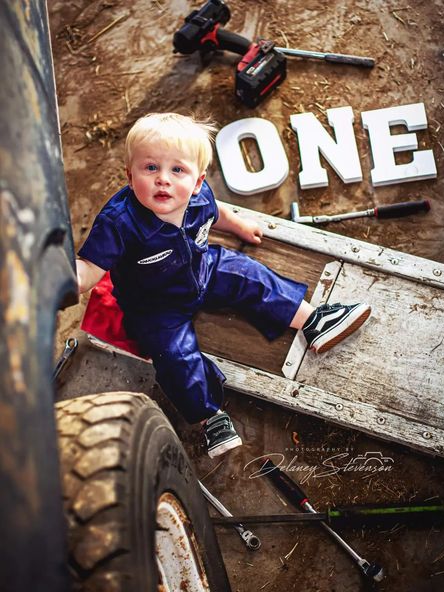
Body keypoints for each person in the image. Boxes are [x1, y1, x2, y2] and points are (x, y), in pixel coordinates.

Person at [76, 112, 371, 458]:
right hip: (155, 305)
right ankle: (208, 417)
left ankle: (312, 320)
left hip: (202, 269)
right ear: (129, 175)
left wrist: (240, 226)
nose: (164, 181)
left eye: (177, 170)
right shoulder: (119, 222)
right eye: (151, 168)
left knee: (249, 274)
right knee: (175, 356)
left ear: (198, 181)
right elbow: (90, 268)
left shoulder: (199, 198)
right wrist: (66, 280)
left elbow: (219, 213)